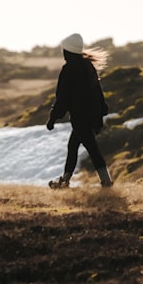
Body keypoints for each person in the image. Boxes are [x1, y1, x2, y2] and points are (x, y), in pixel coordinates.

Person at [46, 33, 113, 188]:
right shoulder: (88, 66)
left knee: (92, 149)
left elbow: (62, 97)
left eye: (64, 50)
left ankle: (106, 182)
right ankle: (65, 181)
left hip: (80, 118)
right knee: (73, 146)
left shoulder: (69, 69)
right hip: (93, 116)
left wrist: (52, 118)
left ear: (68, 52)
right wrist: (102, 112)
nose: (62, 53)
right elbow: (98, 91)